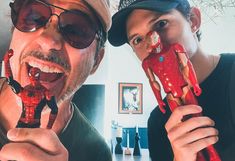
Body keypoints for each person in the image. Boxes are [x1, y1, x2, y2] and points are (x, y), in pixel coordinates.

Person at [108, 0, 235, 161]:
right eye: (138, 40)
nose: (152, 45)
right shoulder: (157, 122)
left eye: (161, 24)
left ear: (193, 20)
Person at [0, 0, 112, 160]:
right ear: (13, 30)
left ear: (96, 61)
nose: (48, 41)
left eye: (76, 30)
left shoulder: (96, 154)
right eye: (33, 17)